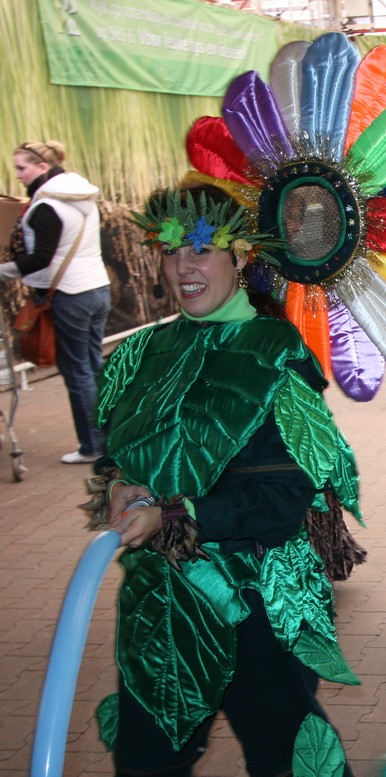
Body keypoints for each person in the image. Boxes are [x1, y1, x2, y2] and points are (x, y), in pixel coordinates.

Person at [87, 184, 364, 776]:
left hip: (257, 601)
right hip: (158, 602)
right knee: (145, 762)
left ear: (239, 255)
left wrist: (175, 515)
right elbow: (116, 452)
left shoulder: (275, 352)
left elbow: (283, 496)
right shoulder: (141, 353)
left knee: (287, 759)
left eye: (201, 249)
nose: (182, 267)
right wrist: (118, 485)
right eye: (169, 250)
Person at [3, 140, 110, 463]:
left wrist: (4, 270)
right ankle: (109, 438)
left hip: (70, 295)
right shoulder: (82, 196)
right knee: (93, 366)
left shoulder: (47, 206)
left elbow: (41, 258)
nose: (18, 174)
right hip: (97, 289)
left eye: (22, 167)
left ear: (42, 167)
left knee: (78, 373)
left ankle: (92, 447)